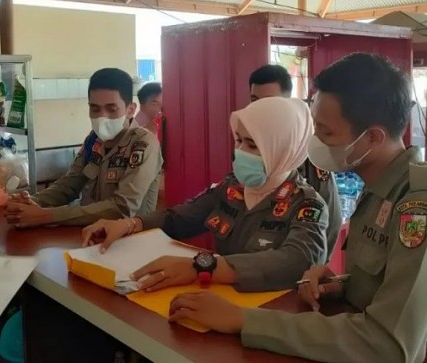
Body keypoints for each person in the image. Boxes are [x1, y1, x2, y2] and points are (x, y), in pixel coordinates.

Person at [168, 53, 427, 363]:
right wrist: (343, 286)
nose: (313, 141)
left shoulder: (416, 205)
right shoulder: (378, 189)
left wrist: (244, 320)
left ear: (372, 137)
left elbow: (387, 344)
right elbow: (390, 291)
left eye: (326, 132)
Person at [82, 96, 329, 292]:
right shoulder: (232, 188)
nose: (240, 152)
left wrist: (204, 268)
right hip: (217, 303)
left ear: (284, 148)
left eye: (252, 145)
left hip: (269, 318)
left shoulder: (306, 204)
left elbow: (298, 260)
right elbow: (179, 218)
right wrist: (129, 225)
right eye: (238, 140)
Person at [6, 68, 163, 228]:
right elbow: (69, 184)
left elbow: (122, 207)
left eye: (111, 109)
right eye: (95, 108)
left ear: (130, 109)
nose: (102, 117)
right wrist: (29, 203)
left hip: (130, 242)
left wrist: (45, 216)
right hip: (87, 236)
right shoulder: (94, 140)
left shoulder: (143, 144)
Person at [249, 64, 342, 257]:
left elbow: (330, 218)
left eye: (269, 102)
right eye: (254, 101)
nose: (259, 109)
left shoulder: (307, 150)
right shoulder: (248, 143)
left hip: (291, 261)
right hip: (247, 263)